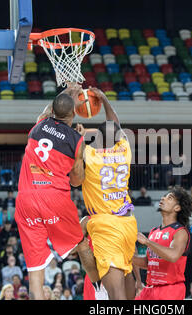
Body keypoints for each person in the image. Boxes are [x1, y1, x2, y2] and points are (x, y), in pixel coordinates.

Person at [14, 84, 99, 300]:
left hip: (26, 200)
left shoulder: (38, 125)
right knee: (80, 243)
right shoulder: (76, 139)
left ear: (52, 110)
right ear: (74, 113)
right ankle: (100, 287)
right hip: (53, 197)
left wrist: (67, 93)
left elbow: (48, 110)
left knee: (35, 268)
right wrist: (80, 149)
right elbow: (77, 181)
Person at [77, 87, 138, 300]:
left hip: (106, 225)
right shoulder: (123, 150)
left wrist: (79, 137)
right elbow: (116, 125)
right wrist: (103, 99)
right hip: (128, 224)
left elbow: (75, 176)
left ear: (99, 138)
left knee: (115, 293)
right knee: (129, 290)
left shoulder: (91, 154)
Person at [133, 186, 192, 300]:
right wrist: (126, 258)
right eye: (164, 196)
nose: (163, 198)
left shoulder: (180, 232)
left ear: (177, 208)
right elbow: (147, 263)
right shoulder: (154, 231)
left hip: (170, 289)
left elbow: (173, 256)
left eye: (169, 198)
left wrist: (146, 242)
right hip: (150, 288)